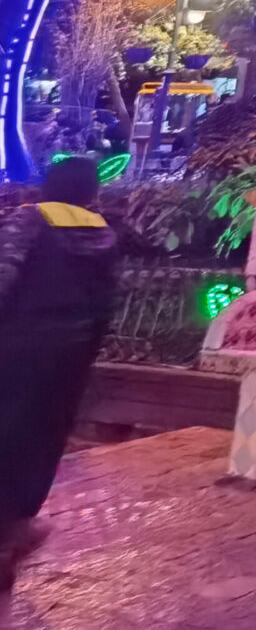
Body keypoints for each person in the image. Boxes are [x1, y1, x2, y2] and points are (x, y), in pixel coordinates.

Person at [0, 158, 119, 597]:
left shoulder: (30, 221)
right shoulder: (102, 233)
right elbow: (107, 301)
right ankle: (15, 523)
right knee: (44, 436)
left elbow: (3, 277)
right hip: (69, 353)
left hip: (17, 345)